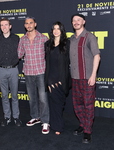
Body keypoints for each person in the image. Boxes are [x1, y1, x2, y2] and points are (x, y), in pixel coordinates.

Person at [69, 14, 101, 143]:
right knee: (77, 105)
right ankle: (83, 124)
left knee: (88, 106)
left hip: (87, 78)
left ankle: (88, 131)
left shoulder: (89, 37)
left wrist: (93, 75)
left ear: (84, 22)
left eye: (78, 20)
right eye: (73, 21)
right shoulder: (71, 39)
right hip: (75, 78)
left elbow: (97, 56)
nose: (76, 22)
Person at [18, 17, 50, 134]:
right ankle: (35, 117)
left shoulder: (44, 38)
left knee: (43, 98)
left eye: (31, 23)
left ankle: (45, 121)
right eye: (26, 23)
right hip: (28, 72)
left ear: (35, 24)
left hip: (41, 72)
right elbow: (19, 54)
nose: (29, 25)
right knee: (32, 98)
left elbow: (49, 55)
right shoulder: (22, 39)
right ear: (25, 25)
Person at [0, 18, 21, 127]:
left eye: (6, 25)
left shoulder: (16, 38)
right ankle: (7, 117)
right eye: (2, 25)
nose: (4, 27)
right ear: (0, 27)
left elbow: (22, 52)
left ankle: (16, 117)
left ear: (10, 26)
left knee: (14, 95)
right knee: (4, 96)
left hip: (13, 69)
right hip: (1, 70)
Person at [44, 21, 71, 135]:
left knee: (59, 103)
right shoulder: (48, 44)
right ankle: (57, 126)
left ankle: (57, 124)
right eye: (54, 28)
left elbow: (69, 63)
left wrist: (61, 80)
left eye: (58, 28)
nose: (56, 30)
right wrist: (49, 81)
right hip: (51, 78)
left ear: (62, 30)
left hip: (62, 78)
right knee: (53, 103)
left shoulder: (67, 43)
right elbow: (48, 64)